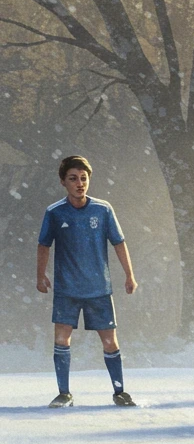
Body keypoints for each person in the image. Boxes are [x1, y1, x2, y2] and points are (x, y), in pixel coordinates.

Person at [36, 155, 139, 407]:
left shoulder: (103, 209)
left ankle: (119, 391)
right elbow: (43, 244)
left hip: (98, 288)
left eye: (84, 178)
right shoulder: (55, 212)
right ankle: (64, 393)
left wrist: (129, 274)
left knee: (110, 341)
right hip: (67, 289)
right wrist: (40, 275)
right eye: (73, 178)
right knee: (61, 339)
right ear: (63, 182)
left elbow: (119, 243)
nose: (80, 183)